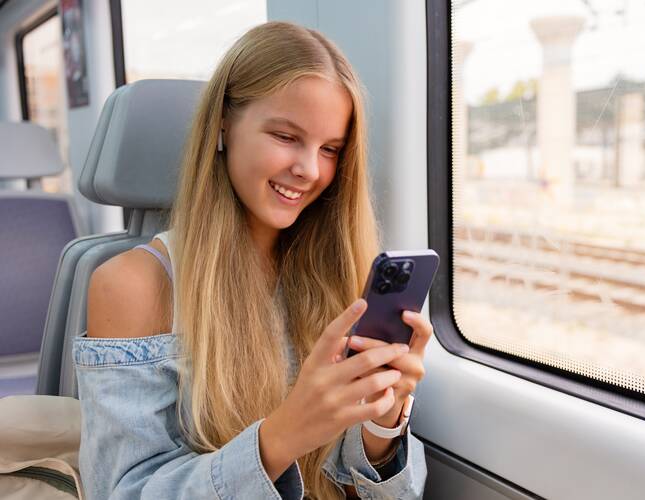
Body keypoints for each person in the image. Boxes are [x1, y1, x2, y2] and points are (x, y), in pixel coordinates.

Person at [76, 21, 429, 499]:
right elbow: (122, 492)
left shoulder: (341, 275)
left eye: (330, 149)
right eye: (286, 137)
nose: (309, 169)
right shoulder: (133, 285)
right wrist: (281, 437)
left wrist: (384, 425)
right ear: (224, 123)